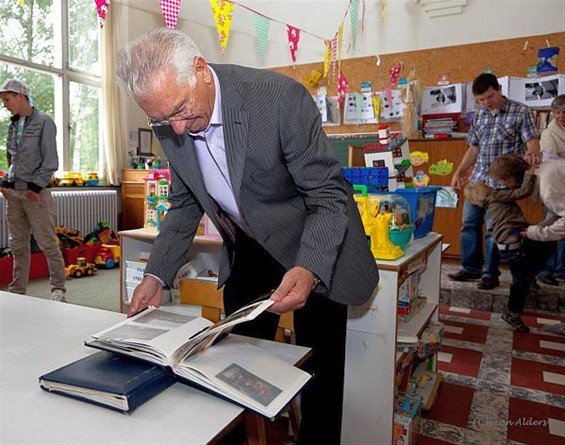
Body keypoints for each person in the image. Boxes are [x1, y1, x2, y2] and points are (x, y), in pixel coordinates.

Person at [117, 27, 379, 445]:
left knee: (320, 372)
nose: (178, 129)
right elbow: (186, 202)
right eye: (162, 120)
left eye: (181, 111)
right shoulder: (172, 115)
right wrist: (156, 275)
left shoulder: (278, 100)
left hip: (314, 244)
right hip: (251, 249)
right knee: (235, 365)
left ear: (200, 70)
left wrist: (309, 268)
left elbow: (329, 195)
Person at [449, 73, 540, 290]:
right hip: (478, 182)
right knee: (468, 225)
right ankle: (471, 268)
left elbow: (532, 142)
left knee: (494, 230)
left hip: (501, 185)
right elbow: (474, 148)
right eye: (481, 99)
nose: (486, 102)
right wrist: (459, 172)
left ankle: (490, 274)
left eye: (489, 96)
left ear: (498, 88)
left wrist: (533, 159)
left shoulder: (521, 111)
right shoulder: (480, 115)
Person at [464, 155, 555, 333]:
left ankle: (526, 285)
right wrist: (529, 174)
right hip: (515, 244)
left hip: (509, 247)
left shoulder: (490, 202)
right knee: (544, 247)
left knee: (521, 277)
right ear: (488, 188)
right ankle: (512, 312)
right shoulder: (497, 196)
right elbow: (523, 192)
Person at [0, 79, 67, 302]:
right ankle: (17, 291)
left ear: (21, 96)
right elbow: (13, 160)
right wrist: (6, 185)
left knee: (47, 243)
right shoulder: (12, 125)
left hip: (36, 193)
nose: (5, 104)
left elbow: (50, 160)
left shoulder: (44, 122)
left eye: (7, 100)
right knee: (18, 245)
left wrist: (36, 187)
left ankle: (58, 290)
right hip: (15, 194)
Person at [536, 94, 565, 285]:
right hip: (554, 186)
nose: (561, 116)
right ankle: (546, 269)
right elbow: (552, 158)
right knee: (551, 227)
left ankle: (560, 270)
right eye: (557, 112)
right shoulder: (549, 133)